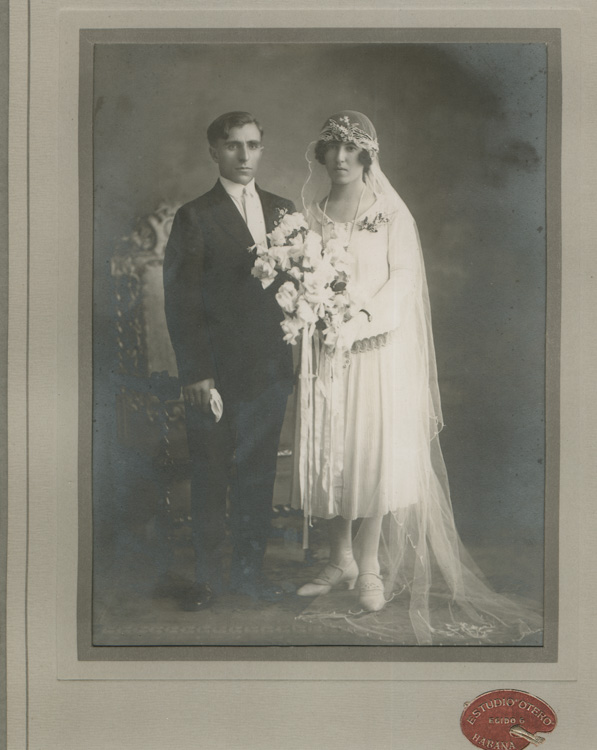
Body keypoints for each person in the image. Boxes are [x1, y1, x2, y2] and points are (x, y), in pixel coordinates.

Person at [293, 111, 543, 645]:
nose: (340, 158)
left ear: (367, 156)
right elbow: (303, 276)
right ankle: (336, 558)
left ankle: (369, 565)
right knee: (330, 454)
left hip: (375, 350)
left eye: (350, 149)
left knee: (372, 454)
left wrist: (358, 321)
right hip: (325, 355)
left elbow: (402, 281)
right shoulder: (311, 214)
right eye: (332, 148)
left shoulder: (389, 215)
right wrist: (314, 313)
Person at [163, 111, 295, 610]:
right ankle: (204, 579)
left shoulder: (284, 212)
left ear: (263, 149)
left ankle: (248, 575)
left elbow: (294, 287)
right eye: (234, 145)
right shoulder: (195, 215)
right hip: (215, 373)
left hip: (268, 372)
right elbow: (180, 300)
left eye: (254, 145)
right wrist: (195, 373)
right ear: (214, 151)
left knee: (257, 476)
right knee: (212, 473)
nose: (244, 156)